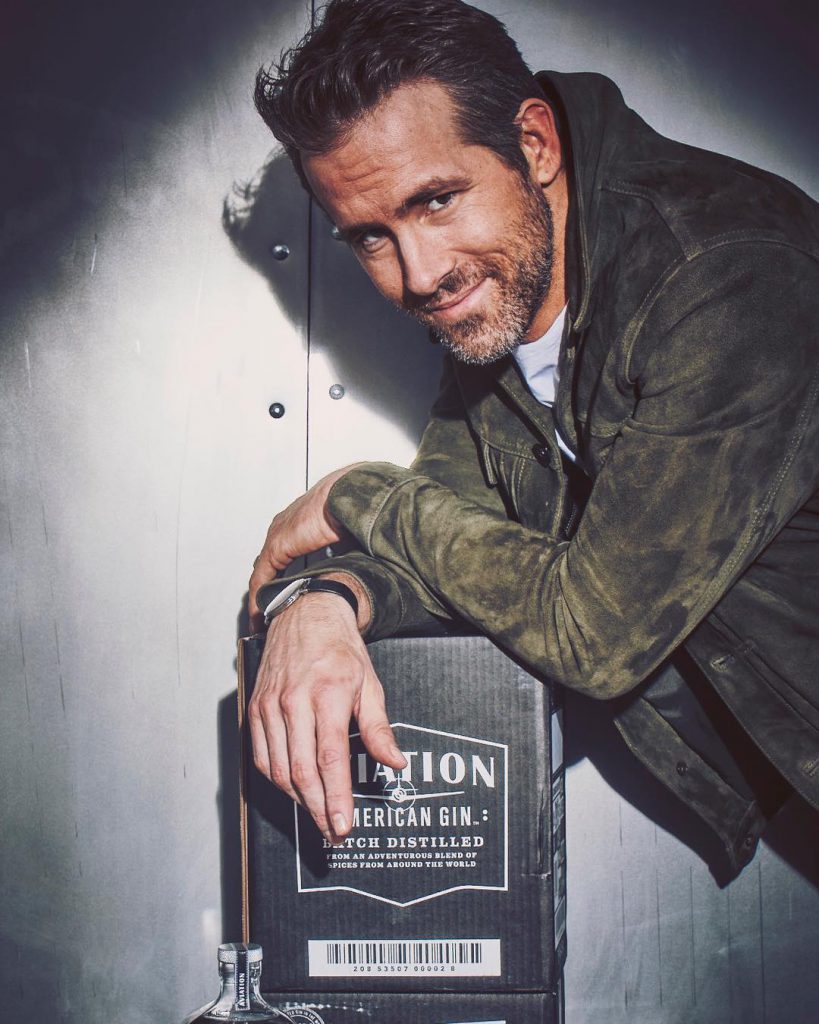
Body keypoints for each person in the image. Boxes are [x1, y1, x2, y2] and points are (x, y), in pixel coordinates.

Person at [245, 0, 819, 877]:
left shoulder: (722, 272)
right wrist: (321, 602)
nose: (419, 274)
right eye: (370, 237)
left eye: (436, 200)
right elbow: (449, 537)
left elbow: (591, 632)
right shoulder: (500, 295)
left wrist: (355, 494)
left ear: (535, 144)